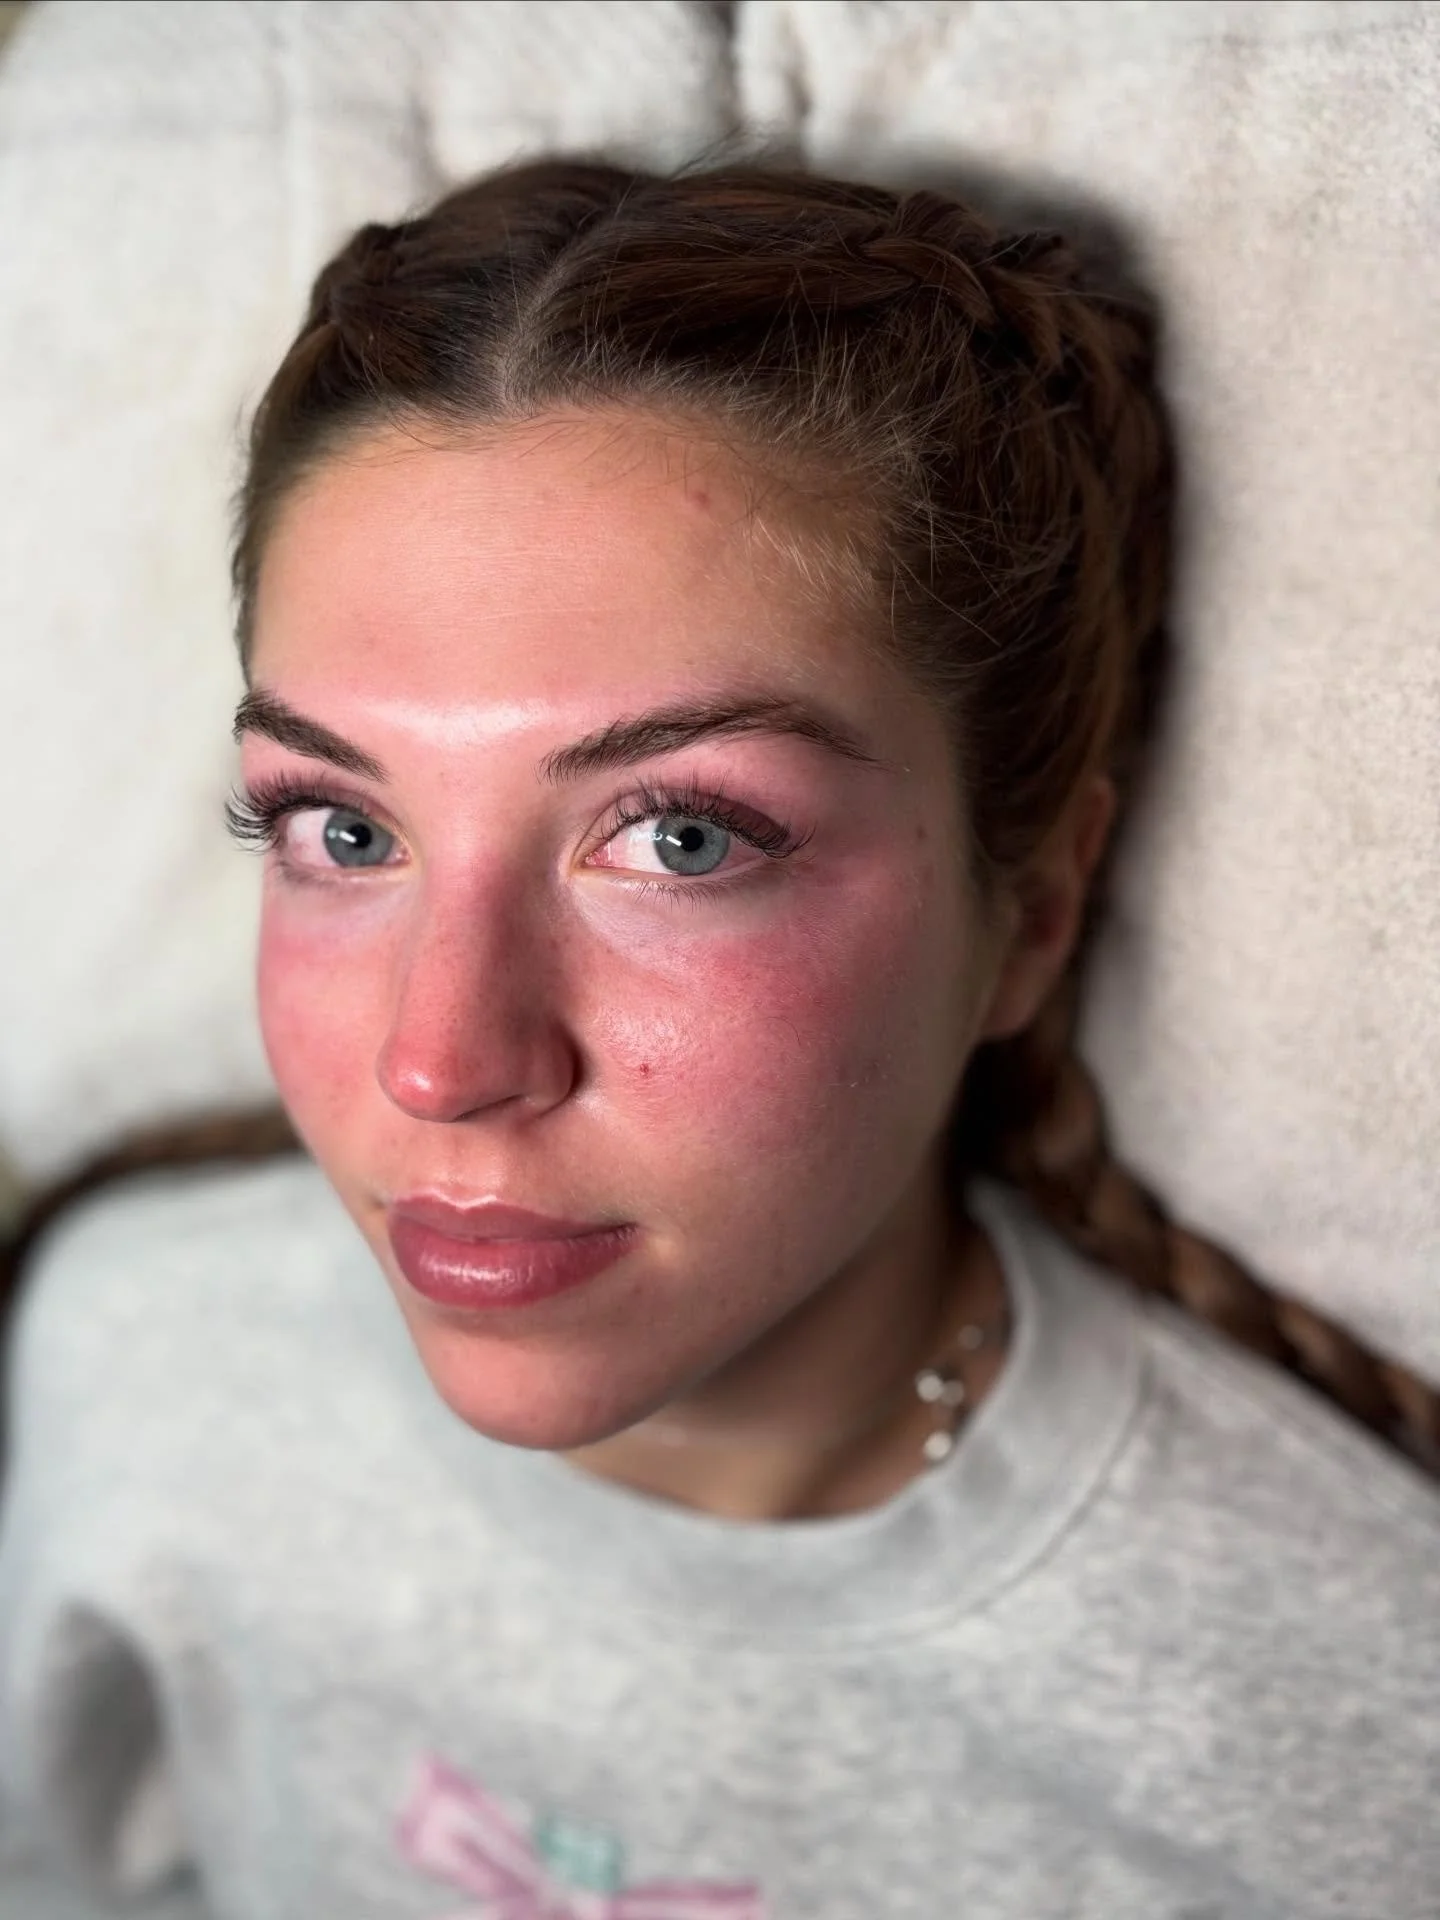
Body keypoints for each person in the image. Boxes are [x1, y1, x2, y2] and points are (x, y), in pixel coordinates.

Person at [1, 159, 1438, 1920]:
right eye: (343, 830)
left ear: (1035, 911)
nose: (441, 1065)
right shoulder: (138, 1363)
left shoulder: (1366, 1721)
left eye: (683, 837)